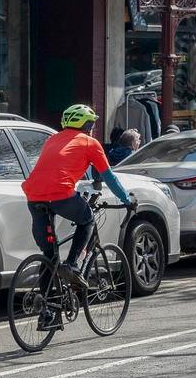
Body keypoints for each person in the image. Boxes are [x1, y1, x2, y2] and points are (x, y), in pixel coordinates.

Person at [21, 104, 134, 290]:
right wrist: (126, 200)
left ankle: (47, 311)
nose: (92, 129)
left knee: (49, 254)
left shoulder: (52, 139)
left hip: (34, 197)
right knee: (87, 221)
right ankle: (72, 265)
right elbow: (108, 176)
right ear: (87, 126)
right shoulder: (90, 143)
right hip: (61, 195)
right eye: (92, 125)